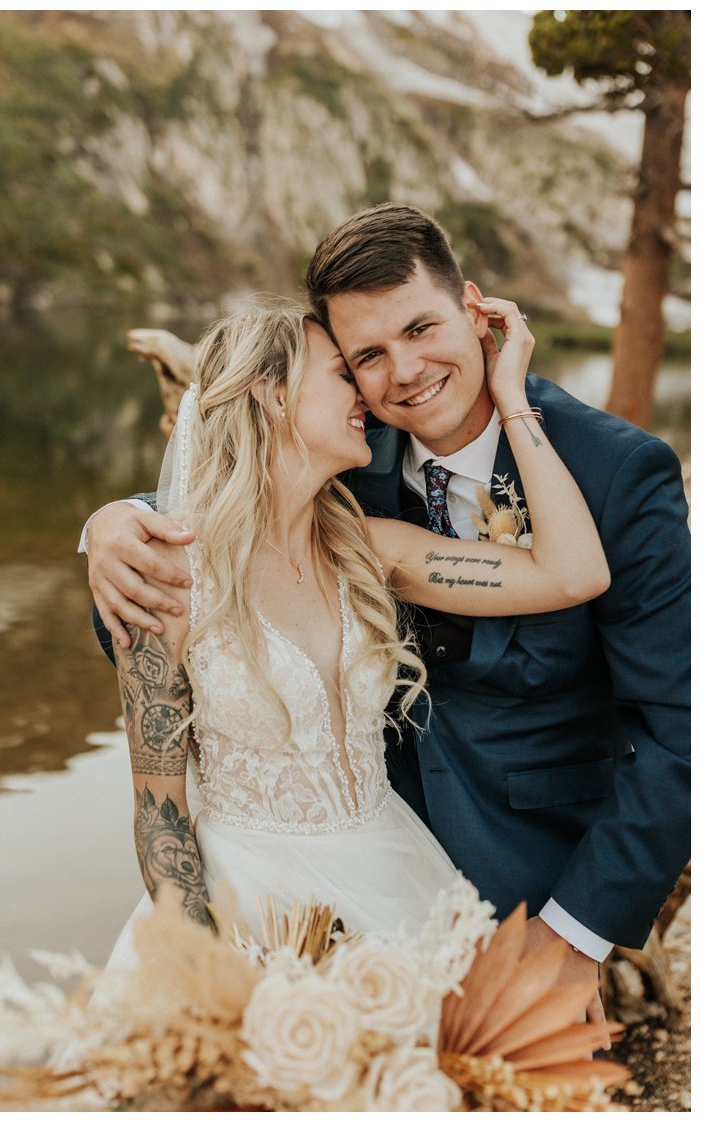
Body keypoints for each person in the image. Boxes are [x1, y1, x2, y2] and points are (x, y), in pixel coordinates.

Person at [84, 204, 690, 1029]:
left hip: (480, 864)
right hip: (264, 885)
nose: (397, 376)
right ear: (276, 396)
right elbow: (207, 521)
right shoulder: (326, 485)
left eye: (421, 329)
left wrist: (513, 399)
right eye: (360, 360)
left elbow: (651, 691)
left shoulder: (400, 537)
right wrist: (107, 526)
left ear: (476, 312)